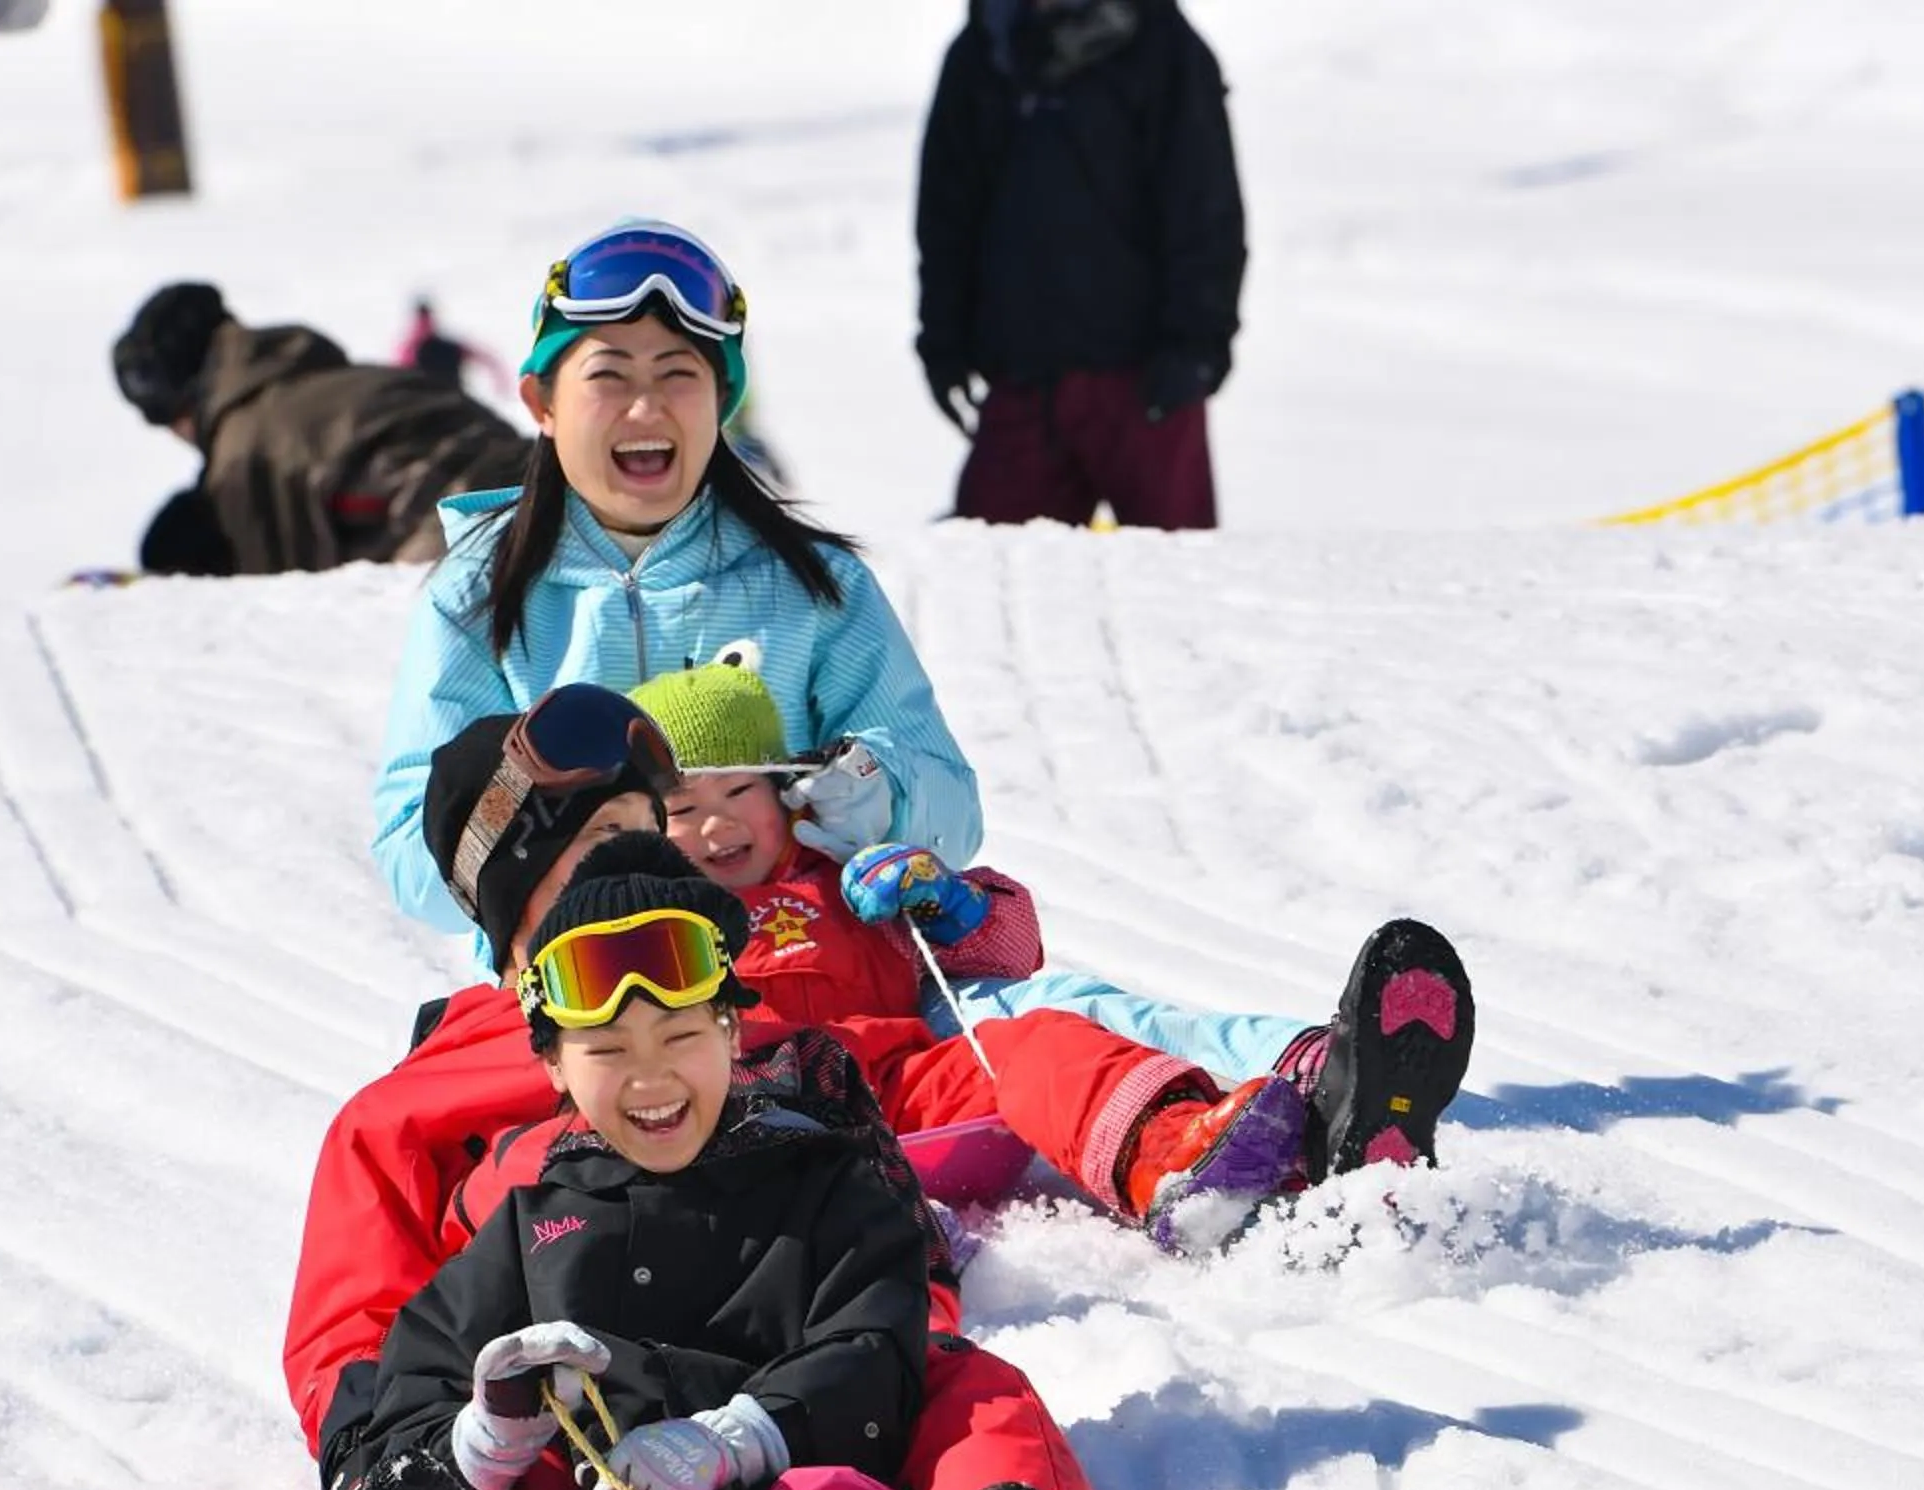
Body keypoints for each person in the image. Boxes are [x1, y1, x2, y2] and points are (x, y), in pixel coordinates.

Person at [286, 692, 1116, 1490]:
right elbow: (360, 1328)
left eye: (643, 829)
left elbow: (932, 1100)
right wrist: (407, 1463)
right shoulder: (412, 1103)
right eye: (591, 843)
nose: (629, 864)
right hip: (580, 1410)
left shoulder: (749, 1016)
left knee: (966, 1389)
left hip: (811, 1368)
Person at [351, 834, 993, 1490]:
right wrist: (486, 1438)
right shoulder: (530, 1232)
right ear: (556, 1070)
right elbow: (409, 1402)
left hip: (796, 1466)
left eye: (682, 1037)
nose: (650, 1078)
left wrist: (737, 1436)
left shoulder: (825, 1185)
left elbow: (877, 1339)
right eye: (609, 1052)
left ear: (734, 1035)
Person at [371, 219, 982, 952]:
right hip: (574, 1010)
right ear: (541, 403)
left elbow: (955, 808)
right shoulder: (481, 595)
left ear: (721, 401)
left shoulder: (810, 586)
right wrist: (551, 825)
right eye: (609, 376)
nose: (645, 406)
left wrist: (878, 792)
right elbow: (414, 855)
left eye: (678, 373)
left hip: (799, 980)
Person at [629, 661, 1476, 1184]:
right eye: (682, 808)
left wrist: (942, 899)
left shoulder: (844, 869)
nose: (714, 827)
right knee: (1044, 1026)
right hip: (774, 1109)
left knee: (1056, 1025)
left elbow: (1013, 952)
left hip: (915, 1073)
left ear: (784, 789)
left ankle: (1268, 1113)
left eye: (737, 792)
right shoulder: (650, 916)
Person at [916, 0, 1246, 531]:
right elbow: (947, 214)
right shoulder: (982, 50)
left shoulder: (1162, 46)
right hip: (1022, 382)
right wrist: (943, 343)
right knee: (987, 568)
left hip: (1146, 385)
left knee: (1178, 581)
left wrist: (1197, 345)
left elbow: (1205, 210)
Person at [110, 281, 531, 575]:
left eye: (159, 415)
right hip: (551, 480)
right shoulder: (333, 380)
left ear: (181, 400)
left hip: (472, 533)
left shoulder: (246, 449)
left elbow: (285, 600)